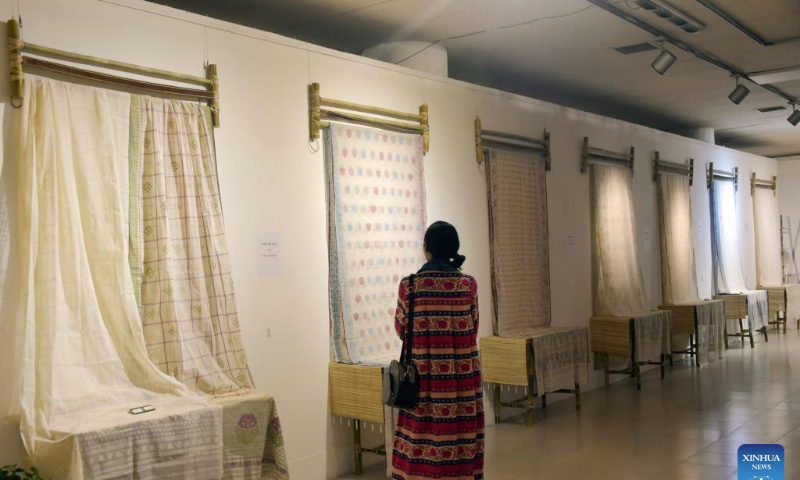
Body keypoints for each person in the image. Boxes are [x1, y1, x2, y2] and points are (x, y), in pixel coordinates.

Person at [392, 221, 484, 480]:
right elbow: (473, 328)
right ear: (454, 248)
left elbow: (401, 331)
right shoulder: (468, 285)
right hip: (462, 380)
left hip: (423, 380)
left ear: (426, 248)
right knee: (461, 434)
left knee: (419, 435)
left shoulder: (409, 286)